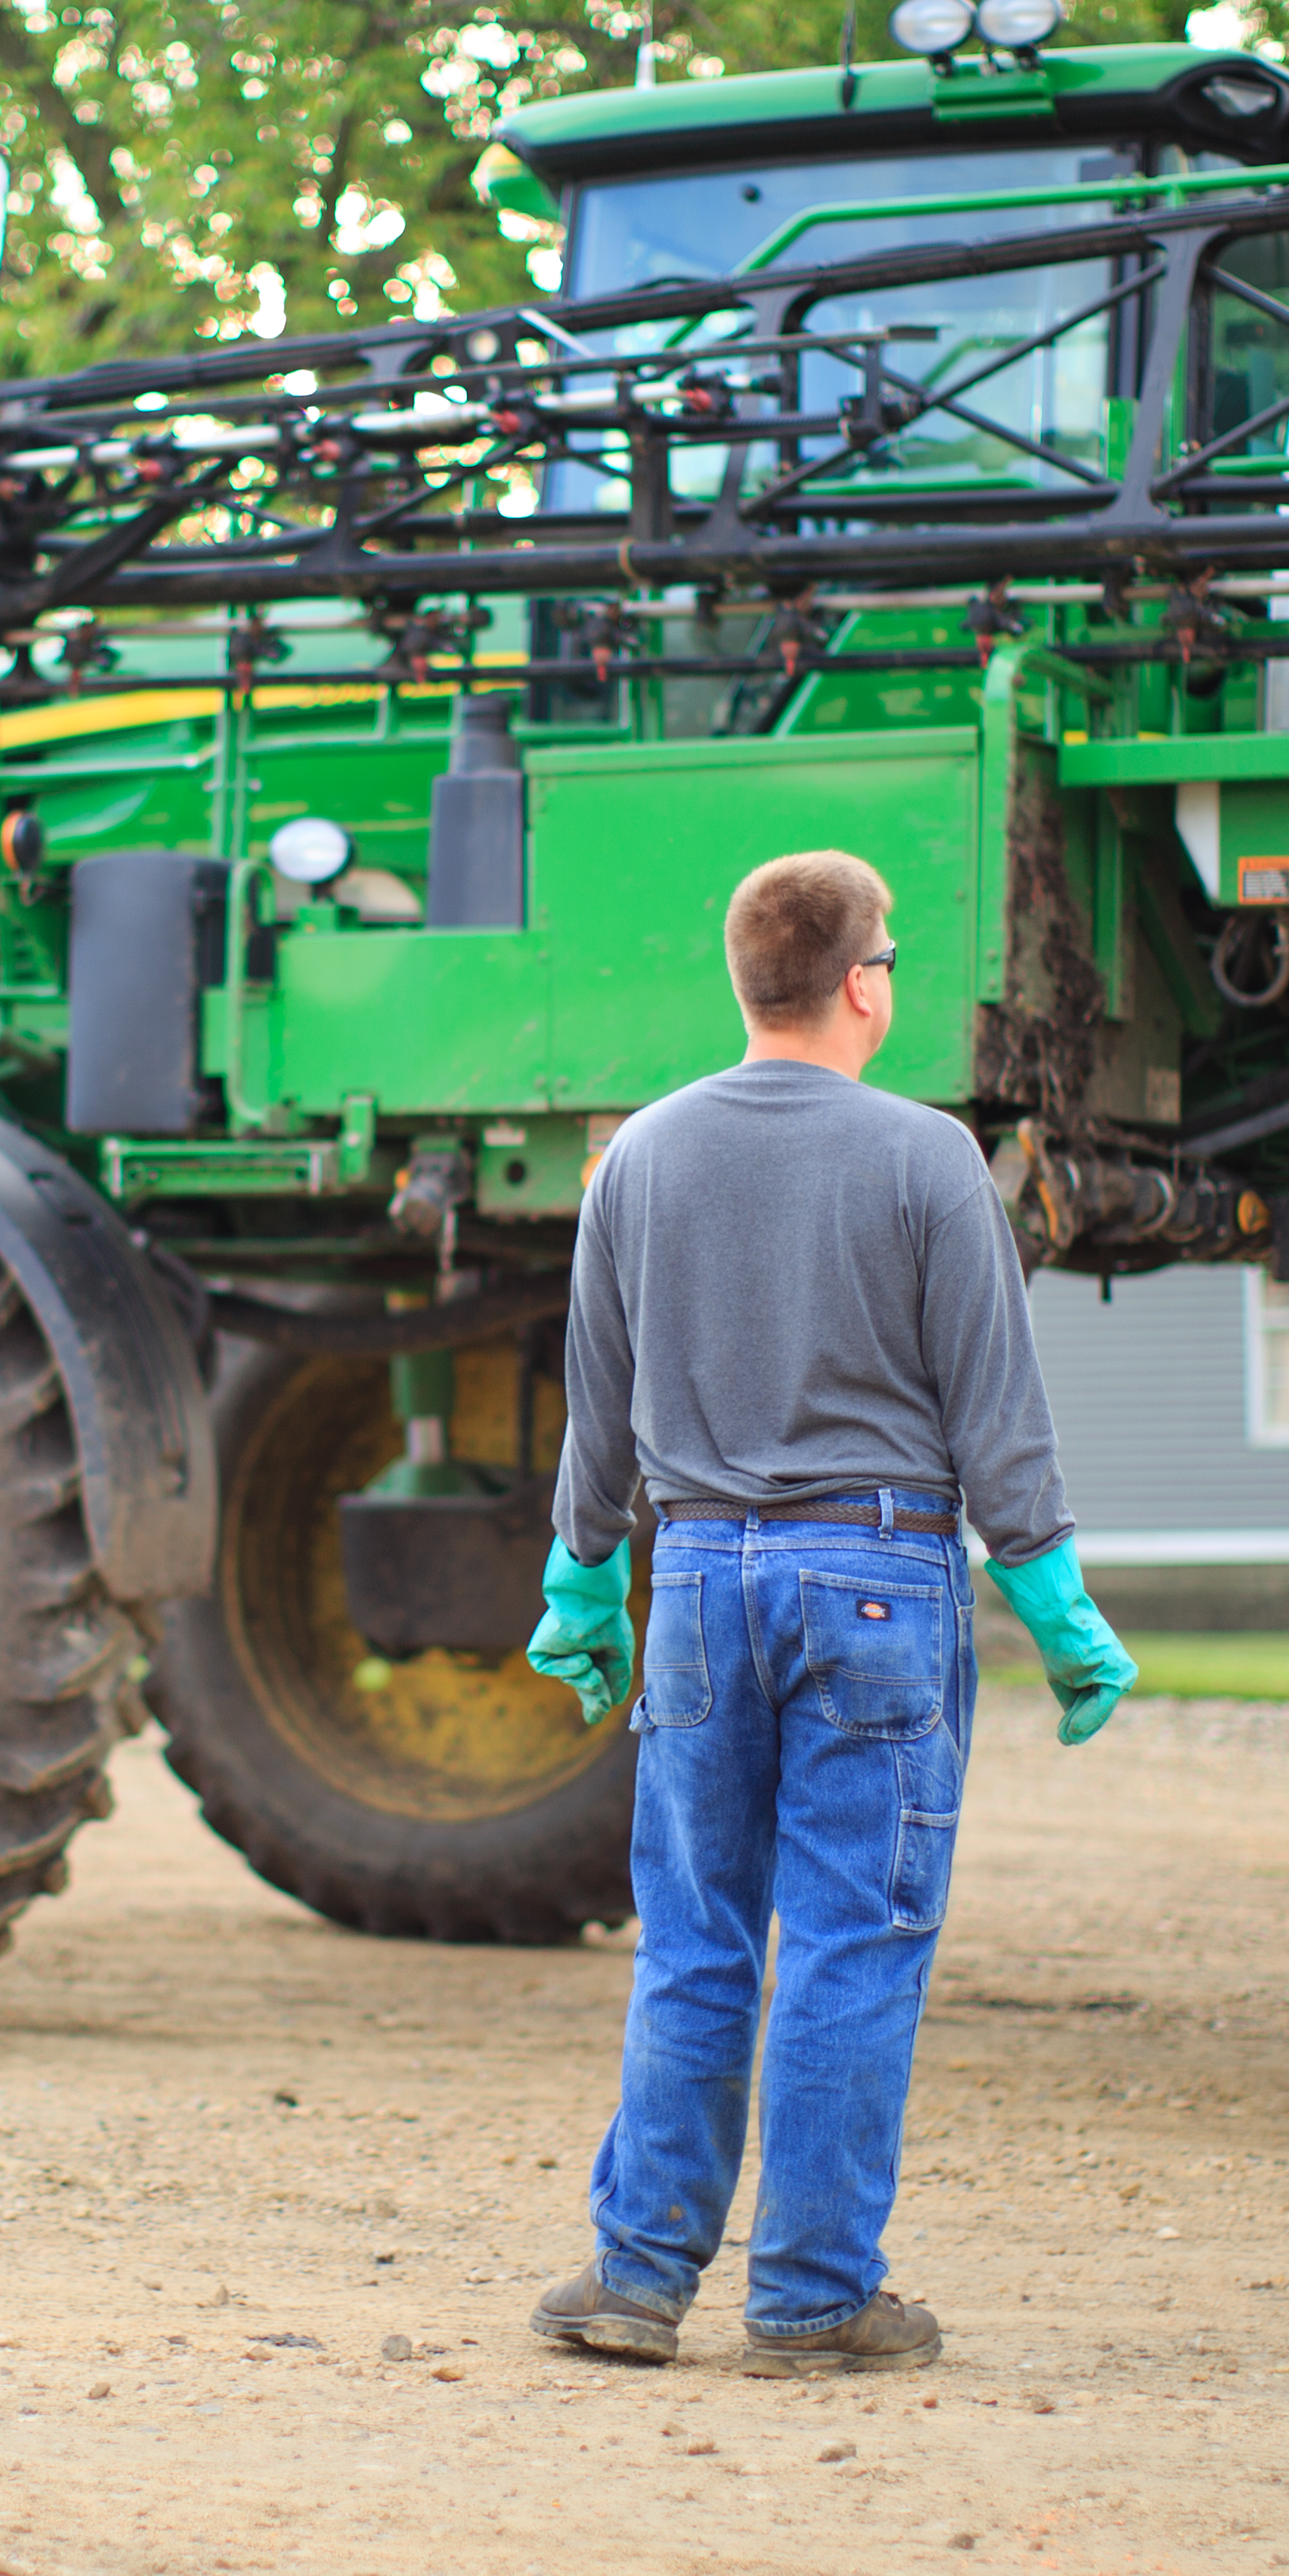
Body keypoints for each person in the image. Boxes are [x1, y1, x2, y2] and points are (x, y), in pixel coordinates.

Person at [524, 848, 1136, 2377]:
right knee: (854, 1937)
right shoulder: (929, 1160)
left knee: (694, 1936)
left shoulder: (642, 1160)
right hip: (872, 1578)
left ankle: (639, 2275)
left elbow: (598, 1409)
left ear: (747, 983)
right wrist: (1056, 1601)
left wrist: (584, 1577)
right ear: (865, 984)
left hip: (698, 1583)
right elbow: (998, 1416)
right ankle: (809, 2297)